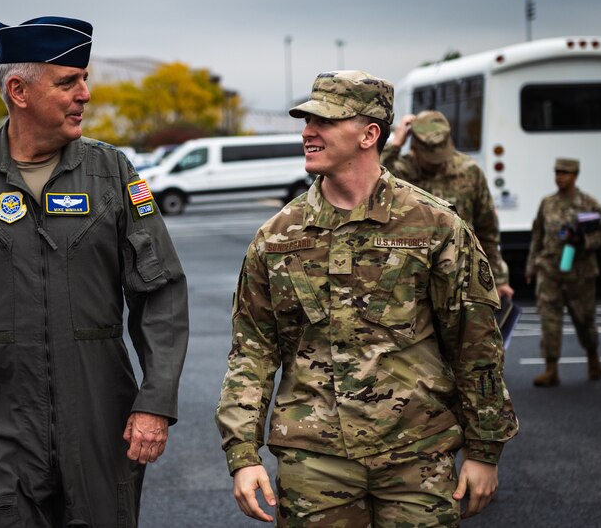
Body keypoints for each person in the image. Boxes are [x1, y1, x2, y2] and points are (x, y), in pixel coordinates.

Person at [0, 16, 189, 527]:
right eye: (68, 81)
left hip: (98, 416)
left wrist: (155, 402)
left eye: (84, 79)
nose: (85, 95)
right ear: (18, 90)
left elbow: (159, 292)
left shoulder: (111, 172)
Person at [215, 71, 518, 527]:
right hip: (314, 462)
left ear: (369, 134)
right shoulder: (277, 236)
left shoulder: (434, 226)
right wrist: (242, 453)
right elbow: (252, 351)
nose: (307, 132)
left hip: (417, 455)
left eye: (325, 122)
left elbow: (475, 345)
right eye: (305, 121)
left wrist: (484, 449)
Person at [381, 111, 514, 300]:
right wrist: (395, 144)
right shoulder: (400, 172)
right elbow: (371, 182)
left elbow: (488, 229)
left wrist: (498, 279)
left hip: (461, 277)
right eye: (429, 157)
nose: (436, 162)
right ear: (415, 147)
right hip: (411, 279)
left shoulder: (469, 171)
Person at [525, 157, 601, 387]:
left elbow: (600, 235)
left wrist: (583, 241)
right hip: (549, 271)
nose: (560, 176)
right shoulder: (547, 203)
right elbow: (537, 235)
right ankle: (551, 369)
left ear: (575, 175)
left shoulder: (588, 204)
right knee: (549, 320)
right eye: (557, 172)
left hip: (580, 273)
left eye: (565, 173)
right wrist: (531, 266)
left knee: (584, 320)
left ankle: (592, 357)